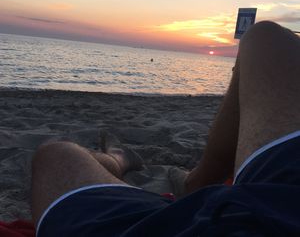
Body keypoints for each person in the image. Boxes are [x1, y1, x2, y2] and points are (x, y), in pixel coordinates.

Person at [31, 21, 300, 236]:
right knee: (266, 36)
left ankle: (120, 158)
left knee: (56, 155)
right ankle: (196, 181)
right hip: (285, 198)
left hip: (264, 212)